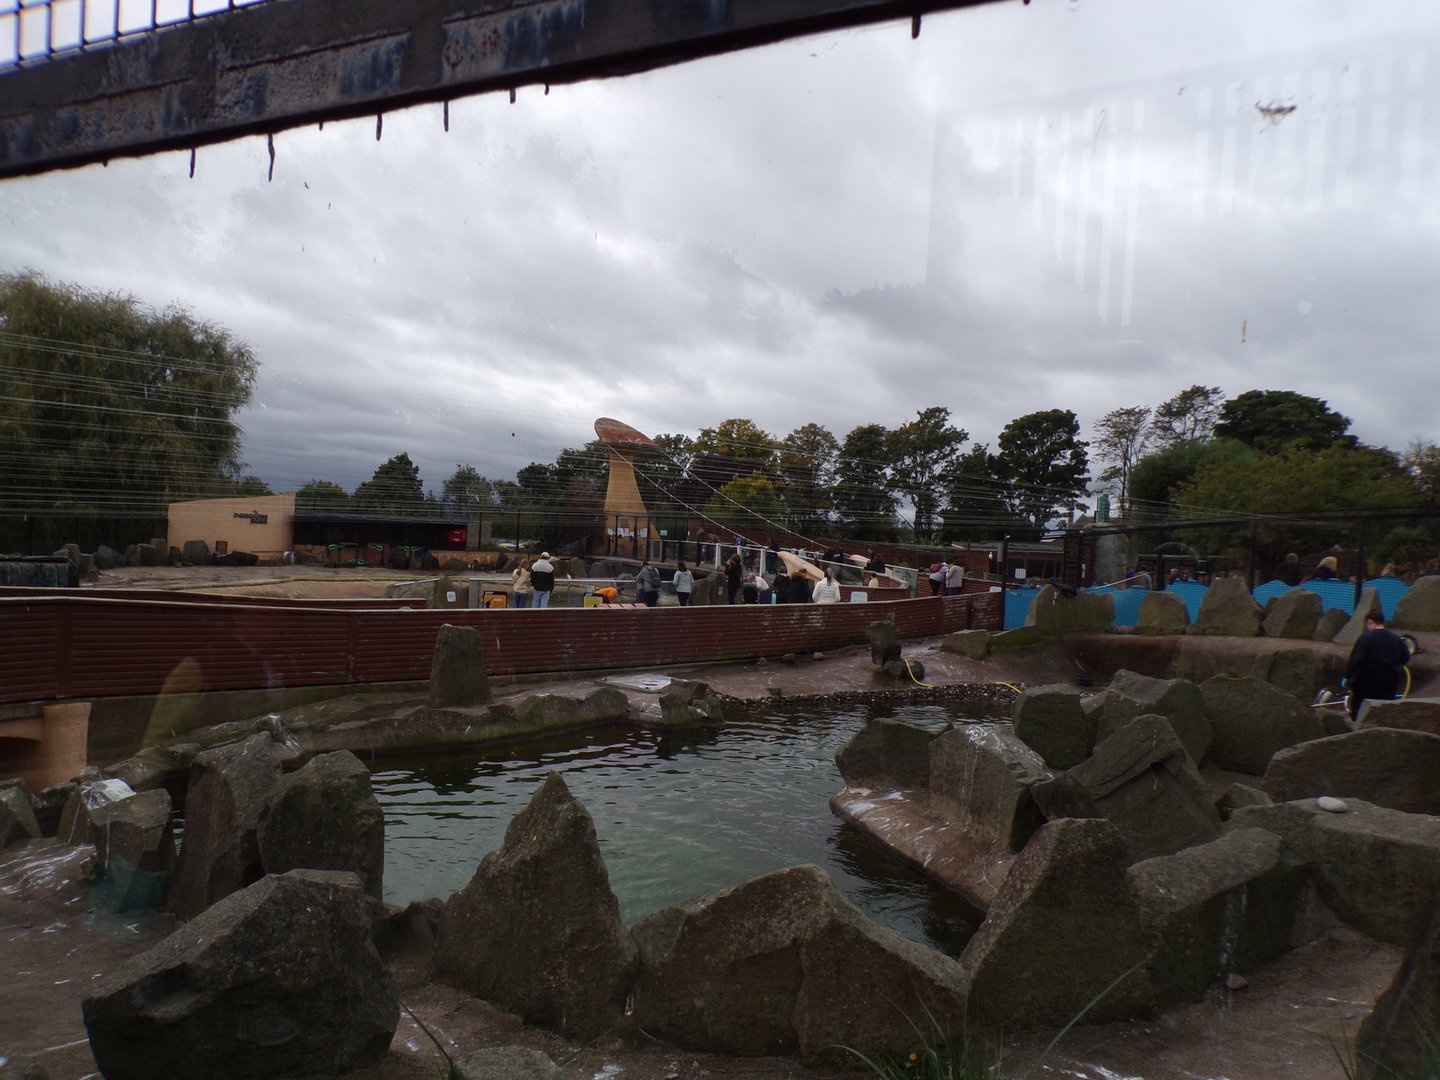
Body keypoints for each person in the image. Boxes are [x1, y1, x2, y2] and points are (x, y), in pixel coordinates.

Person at [1343, 611, 1410, 720]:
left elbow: (1356, 660)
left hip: (1368, 679)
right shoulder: (1395, 638)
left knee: (1361, 708)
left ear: (1370, 622)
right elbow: (1406, 657)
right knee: (1384, 708)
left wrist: (1347, 676)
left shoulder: (1366, 638)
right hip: (1390, 679)